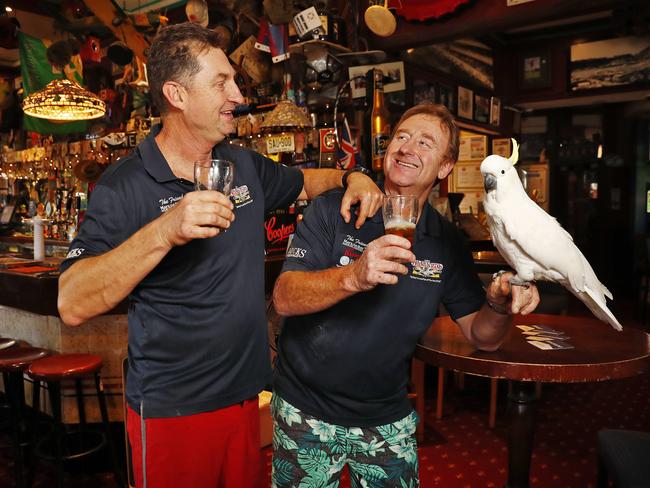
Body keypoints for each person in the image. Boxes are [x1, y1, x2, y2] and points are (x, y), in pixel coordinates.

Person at [57, 22, 382, 488]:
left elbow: (309, 181)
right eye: (221, 83)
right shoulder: (124, 185)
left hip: (248, 395)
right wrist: (167, 229)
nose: (238, 95)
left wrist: (355, 177)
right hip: (173, 409)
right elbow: (71, 302)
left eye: (234, 80)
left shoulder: (242, 163)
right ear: (177, 94)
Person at [271, 103, 540, 487]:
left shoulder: (446, 241)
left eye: (425, 142)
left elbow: (484, 337)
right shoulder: (335, 209)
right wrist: (354, 276)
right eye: (401, 136)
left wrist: (498, 303)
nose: (407, 147)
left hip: (387, 416)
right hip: (305, 410)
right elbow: (283, 297)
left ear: (445, 168)